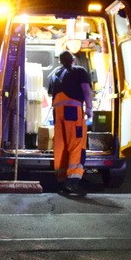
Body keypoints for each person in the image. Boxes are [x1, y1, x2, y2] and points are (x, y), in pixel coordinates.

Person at [47, 49, 93, 194]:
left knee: (61, 145)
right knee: (76, 145)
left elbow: (50, 94)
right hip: (72, 112)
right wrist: (89, 108)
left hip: (58, 113)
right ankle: (72, 182)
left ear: (60, 61)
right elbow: (86, 90)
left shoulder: (54, 73)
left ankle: (61, 179)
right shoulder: (79, 71)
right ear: (73, 59)